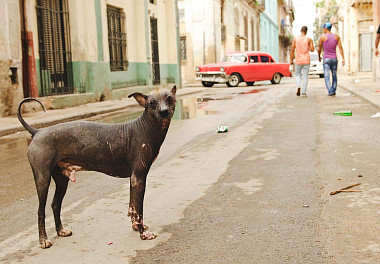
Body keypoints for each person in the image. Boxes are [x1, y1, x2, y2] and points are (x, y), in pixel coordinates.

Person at [318, 22, 345, 96]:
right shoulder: (337, 37)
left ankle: (330, 90)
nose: (323, 29)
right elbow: (340, 47)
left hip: (326, 59)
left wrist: (319, 56)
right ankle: (333, 89)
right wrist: (343, 58)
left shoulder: (323, 37)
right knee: (334, 75)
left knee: (326, 76)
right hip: (334, 59)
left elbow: (319, 48)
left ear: (326, 28)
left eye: (324, 28)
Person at [290, 26, 315, 97]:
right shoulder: (309, 39)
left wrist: (291, 61)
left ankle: (298, 86)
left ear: (301, 31)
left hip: (298, 60)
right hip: (306, 60)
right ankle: (304, 92)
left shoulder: (295, 39)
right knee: (305, 76)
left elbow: (292, 50)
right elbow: (312, 49)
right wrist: (308, 47)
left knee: (298, 75)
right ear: (306, 31)